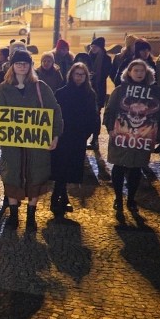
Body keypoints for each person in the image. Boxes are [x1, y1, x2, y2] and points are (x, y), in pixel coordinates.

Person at [0, 50, 63, 230]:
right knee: (11, 175)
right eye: (18, 63)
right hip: (12, 145)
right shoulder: (4, 89)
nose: (22, 66)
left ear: (30, 65)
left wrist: (55, 135)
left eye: (25, 63)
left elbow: (54, 111)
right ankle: (14, 215)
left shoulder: (41, 87)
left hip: (36, 144)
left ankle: (31, 215)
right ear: (12, 66)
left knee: (36, 174)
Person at [102, 59, 160, 215]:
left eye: (142, 71)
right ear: (129, 72)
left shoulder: (154, 93)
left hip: (142, 138)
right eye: (135, 70)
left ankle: (131, 199)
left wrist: (156, 135)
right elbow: (109, 111)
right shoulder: (119, 91)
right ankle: (118, 198)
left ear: (147, 73)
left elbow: (159, 116)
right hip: (120, 136)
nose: (139, 73)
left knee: (136, 169)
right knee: (119, 167)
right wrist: (110, 129)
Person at [50, 63, 99, 218]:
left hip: (78, 137)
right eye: (77, 74)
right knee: (60, 167)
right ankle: (58, 197)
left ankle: (62, 196)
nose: (79, 77)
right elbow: (55, 114)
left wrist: (89, 133)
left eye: (82, 74)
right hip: (63, 136)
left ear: (86, 77)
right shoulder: (61, 93)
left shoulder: (90, 94)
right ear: (71, 75)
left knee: (70, 168)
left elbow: (93, 115)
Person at [74, 37, 112, 150]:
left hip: (99, 90)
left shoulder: (106, 59)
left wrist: (94, 76)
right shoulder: (87, 56)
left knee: (96, 114)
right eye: (92, 46)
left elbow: (106, 73)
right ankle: (84, 137)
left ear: (101, 48)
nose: (93, 48)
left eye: (95, 46)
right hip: (87, 89)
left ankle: (95, 138)